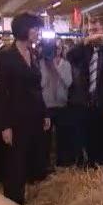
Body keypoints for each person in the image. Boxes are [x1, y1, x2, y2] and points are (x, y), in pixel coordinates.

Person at [0, 13, 50, 205]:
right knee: (14, 164)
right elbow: (2, 93)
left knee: (30, 160)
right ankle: (13, 204)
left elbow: (37, 88)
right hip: (15, 118)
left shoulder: (33, 54)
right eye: (34, 29)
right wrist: (5, 126)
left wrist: (45, 113)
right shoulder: (6, 56)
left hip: (34, 116)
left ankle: (26, 199)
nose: (37, 33)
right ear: (23, 30)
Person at [66, 16, 103, 167]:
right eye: (90, 31)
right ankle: (91, 177)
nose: (92, 34)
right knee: (87, 145)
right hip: (85, 106)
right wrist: (83, 42)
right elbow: (69, 56)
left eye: (95, 30)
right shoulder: (84, 51)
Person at [39, 39, 73, 167]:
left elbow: (68, 82)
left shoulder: (66, 65)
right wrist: (49, 68)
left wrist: (57, 69)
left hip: (61, 106)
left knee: (62, 137)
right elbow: (40, 84)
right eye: (54, 48)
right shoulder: (41, 64)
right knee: (45, 138)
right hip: (46, 107)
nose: (56, 51)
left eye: (59, 48)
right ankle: (45, 164)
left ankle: (61, 164)